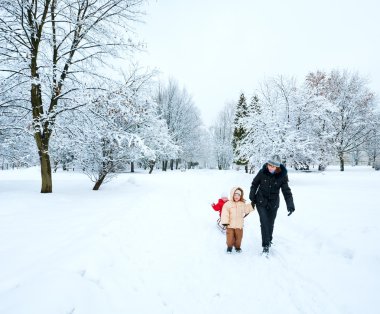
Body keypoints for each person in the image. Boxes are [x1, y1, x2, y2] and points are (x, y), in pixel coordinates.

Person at [249, 155, 295, 255]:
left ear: (277, 167)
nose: (270, 167)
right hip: (261, 201)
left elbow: (286, 191)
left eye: (273, 166)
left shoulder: (282, 176)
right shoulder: (262, 172)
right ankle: (265, 246)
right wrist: (252, 196)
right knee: (264, 222)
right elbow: (254, 184)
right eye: (269, 165)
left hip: (273, 203)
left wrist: (290, 205)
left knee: (270, 223)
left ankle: (269, 239)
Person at [220, 187, 255, 253]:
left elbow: (246, 209)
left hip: (239, 225)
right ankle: (229, 247)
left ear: (241, 196)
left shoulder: (242, 204)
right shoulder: (227, 204)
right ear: (232, 194)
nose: (237, 196)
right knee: (230, 237)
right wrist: (225, 222)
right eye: (235, 195)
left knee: (239, 237)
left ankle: (237, 247)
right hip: (230, 225)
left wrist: (251, 205)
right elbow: (225, 213)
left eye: (238, 195)